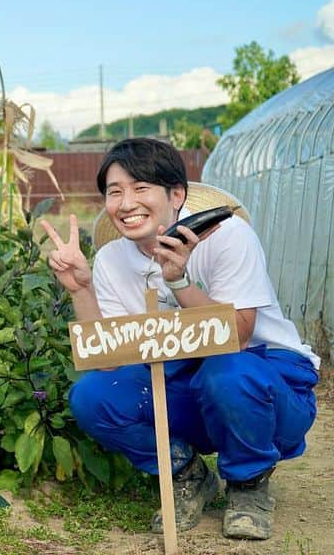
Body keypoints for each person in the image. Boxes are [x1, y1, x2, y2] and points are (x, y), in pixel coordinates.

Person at [40, 138, 320, 540]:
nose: (126, 202)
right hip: (192, 385)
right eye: (115, 192)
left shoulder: (227, 237)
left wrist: (180, 281)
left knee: (228, 372)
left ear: (176, 195)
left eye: (140, 188)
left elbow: (237, 336)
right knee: (94, 396)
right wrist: (80, 289)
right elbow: (109, 362)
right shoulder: (112, 260)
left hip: (270, 385)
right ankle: (186, 472)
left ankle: (249, 483)